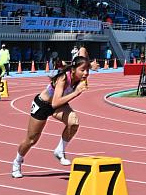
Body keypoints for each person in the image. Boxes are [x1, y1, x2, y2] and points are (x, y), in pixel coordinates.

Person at [11, 47, 96, 179]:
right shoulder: (63, 78)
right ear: (73, 70)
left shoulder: (81, 77)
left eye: (87, 70)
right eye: (83, 70)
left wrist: (89, 64)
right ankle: (17, 161)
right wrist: (76, 92)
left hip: (58, 106)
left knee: (74, 123)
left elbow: (83, 49)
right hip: (43, 105)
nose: (86, 73)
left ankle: (59, 150)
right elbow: (55, 102)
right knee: (32, 139)